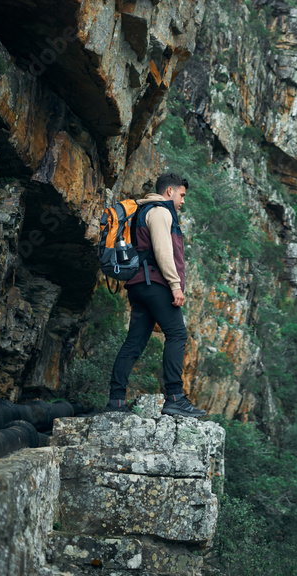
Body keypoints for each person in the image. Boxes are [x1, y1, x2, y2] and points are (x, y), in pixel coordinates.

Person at [104, 172, 206, 419]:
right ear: (169, 191)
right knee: (177, 334)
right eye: (182, 195)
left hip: (138, 285)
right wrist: (175, 285)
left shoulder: (142, 210)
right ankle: (174, 398)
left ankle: (116, 401)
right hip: (155, 284)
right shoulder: (160, 211)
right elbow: (162, 251)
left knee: (134, 342)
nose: (183, 201)